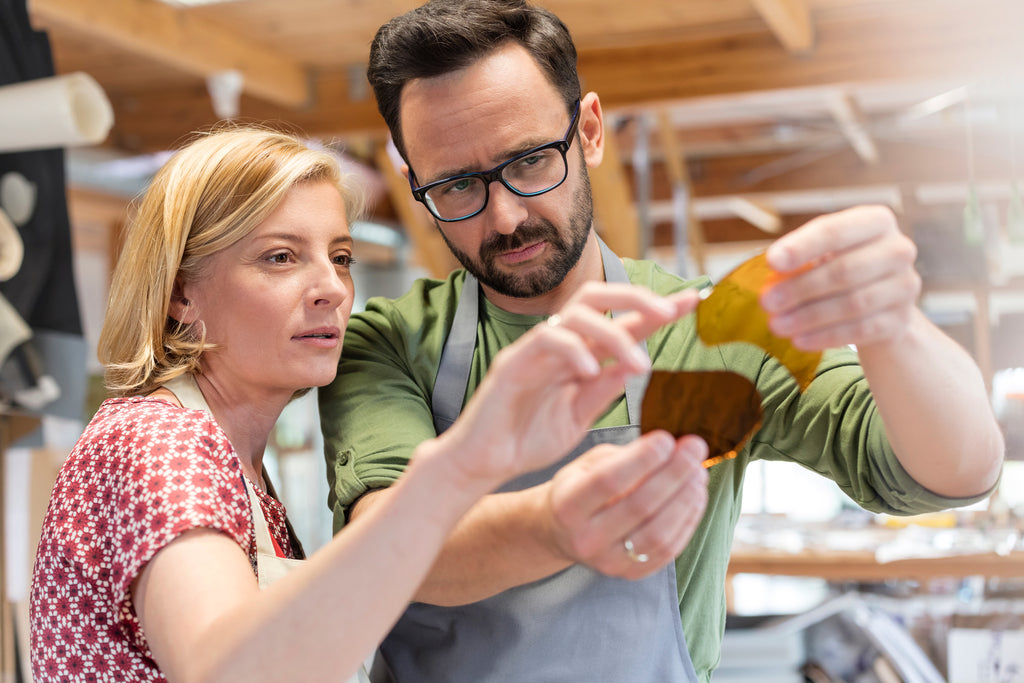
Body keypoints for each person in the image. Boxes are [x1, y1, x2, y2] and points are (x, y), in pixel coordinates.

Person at [317, 1, 1007, 681]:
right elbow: (386, 555)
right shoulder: (389, 342)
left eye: (529, 161)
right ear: (412, 180)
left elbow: (953, 473)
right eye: (457, 184)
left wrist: (894, 327)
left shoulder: (712, 328)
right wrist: (557, 524)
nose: (503, 217)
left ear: (588, 131)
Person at [29, 126, 703, 682]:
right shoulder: (159, 441)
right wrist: (462, 463)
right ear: (182, 295)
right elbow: (223, 668)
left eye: (341, 255)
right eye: (280, 257)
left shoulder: (238, 466)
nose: (332, 288)